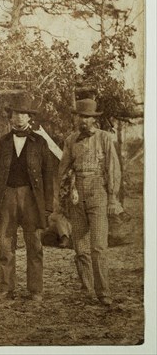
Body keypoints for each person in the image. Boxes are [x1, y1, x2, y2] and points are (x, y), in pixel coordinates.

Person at [0, 95, 53, 302]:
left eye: (23, 114)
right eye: (15, 114)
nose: (19, 118)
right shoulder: (3, 142)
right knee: (5, 245)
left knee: (34, 244)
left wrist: (48, 206)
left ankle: (35, 290)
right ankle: (6, 288)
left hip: (32, 199)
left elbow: (48, 177)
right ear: (11, 117)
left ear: (29, 118)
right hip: (7, 196)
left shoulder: (40, 142)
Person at [58, 99, 121, 306]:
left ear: (94, 119)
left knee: (99, 246)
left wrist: (112, 197)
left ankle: (104, 292)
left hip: (98, 192)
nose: (83, 121)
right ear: (76, 118)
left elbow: (112, 169)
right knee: (81, 247)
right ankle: (87, 289)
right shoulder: (70, 140)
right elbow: (63, 169)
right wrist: (65, 191)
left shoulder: (104, 138)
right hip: (77, 195)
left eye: (87, 117)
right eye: (80, 116)